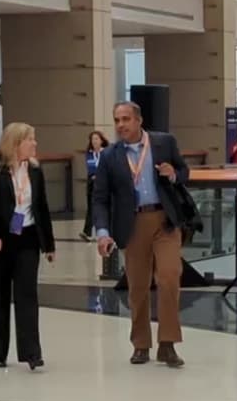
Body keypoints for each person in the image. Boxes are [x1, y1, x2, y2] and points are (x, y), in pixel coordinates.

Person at [94, 101, 191, 368]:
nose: (121, 125)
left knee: (170, 276)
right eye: (116, 120)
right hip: (133, 224)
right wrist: (103, 232)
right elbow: (100, 199)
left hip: (165, 221)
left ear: (139, 121)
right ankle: (140, 344)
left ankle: (168, 343)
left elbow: (185, 172)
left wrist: (173, 174)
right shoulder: (110, 156)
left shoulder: (163, 143)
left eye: (125, 119)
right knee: (137, 287)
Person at [0, 122, 56, 371]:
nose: (35, 144)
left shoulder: (34, 170)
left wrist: (49, 245)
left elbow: (41, 207)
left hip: (27, 238)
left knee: (27, 296)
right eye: (30, 139)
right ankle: (0, 351)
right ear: (16, 143)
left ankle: (32, 353)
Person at [80, 130, 109, 241]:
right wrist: (96, 174)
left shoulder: (106, 152)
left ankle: (104, 231)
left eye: (96, 139)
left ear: (101, 140)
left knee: (102, 207)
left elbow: (105, 168)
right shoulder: (90, 153)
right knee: (91, 207)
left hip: (103, 184)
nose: (94, 141)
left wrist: (99, 175)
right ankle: (87, 232)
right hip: (92, 184)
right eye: (93, 139)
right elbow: (91, 167)